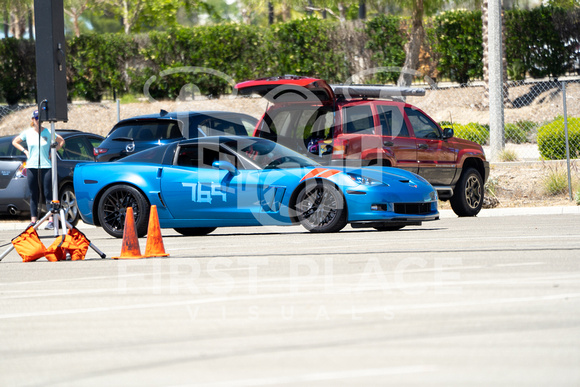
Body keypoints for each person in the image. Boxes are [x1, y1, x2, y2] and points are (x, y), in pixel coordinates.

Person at [12, 110, 65, 229]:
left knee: (47, 193)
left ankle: (50, 220)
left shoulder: (48, 132)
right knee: (33, 193)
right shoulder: (28, 133)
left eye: (40, 118)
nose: (38, 121)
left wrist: (53, 152)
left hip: (46, 166)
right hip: (32, 166)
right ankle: (33, 221)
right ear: (32, 120)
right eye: (36, 118)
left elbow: (61, 141)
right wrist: (25, 151)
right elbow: (15, 141)